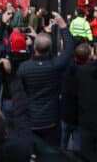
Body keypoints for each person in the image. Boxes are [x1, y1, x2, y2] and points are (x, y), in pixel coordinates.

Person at [17, 12, 74, 147]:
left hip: (31, 119)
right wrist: (63, 25)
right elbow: (69, 49)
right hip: (51, 120)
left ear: (34, 47)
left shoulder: (24, 68)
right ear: (50, 49)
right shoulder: (55, 65)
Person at [60, 42, 91, 152]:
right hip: (79, 117)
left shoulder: (66, 69)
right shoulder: (89, 74)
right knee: (78, 151)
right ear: (88, 57)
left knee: (61, 147)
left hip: (65, 113)